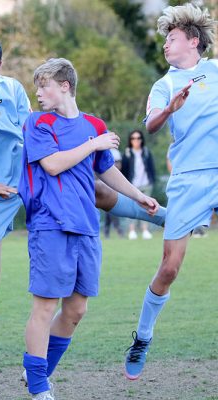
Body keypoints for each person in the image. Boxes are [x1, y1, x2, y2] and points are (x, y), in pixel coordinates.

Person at [0, 32, 166, 400]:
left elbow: (43, 131)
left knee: (96, 191)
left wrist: (91, 143)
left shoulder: (14, 90)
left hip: (28, 177)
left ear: (1, 65)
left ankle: (163, 216)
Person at [19, 58, 158, 400]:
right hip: (50, 225)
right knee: (45, 307)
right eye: (37, 87)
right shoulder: (38, 123)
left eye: (44, 85)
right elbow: (52, 165)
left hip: (86, 228)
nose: (38, 93)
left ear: (64, 85)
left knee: (77, 309)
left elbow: (106, 170)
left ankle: (37, 371)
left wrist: (139, 196)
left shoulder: (94, 125)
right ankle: (39, 388)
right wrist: (93, 145)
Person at [124, 2, 218, 381]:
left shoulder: (215, 72)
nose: (166, 45)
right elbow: (151, 126)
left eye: (172, 38)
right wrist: (170, 109)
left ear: (192, 41)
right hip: (189, 179)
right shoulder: (164, 85)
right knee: (170, 268)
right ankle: (143, 337)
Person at [121, 130, 156, 240]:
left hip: (146, 184)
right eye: (133, 138)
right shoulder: (127, 153)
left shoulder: (146, 152)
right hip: (132, 186)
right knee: (132, 208)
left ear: (141, 140)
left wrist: (151, 181)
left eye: (138, 138)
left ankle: (145, 230)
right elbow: (124, 171)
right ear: (130, 140)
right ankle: (132, 231)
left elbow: (151, 168)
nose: (136, 140)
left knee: (146, 209)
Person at [104, 148, 125, 238]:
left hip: (114, 179)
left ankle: (108, 229)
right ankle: (117, 228)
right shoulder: (104, 149)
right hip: (105, 179)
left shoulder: (115, 152)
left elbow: (119, 164)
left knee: (109, 206)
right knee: (109, 206)